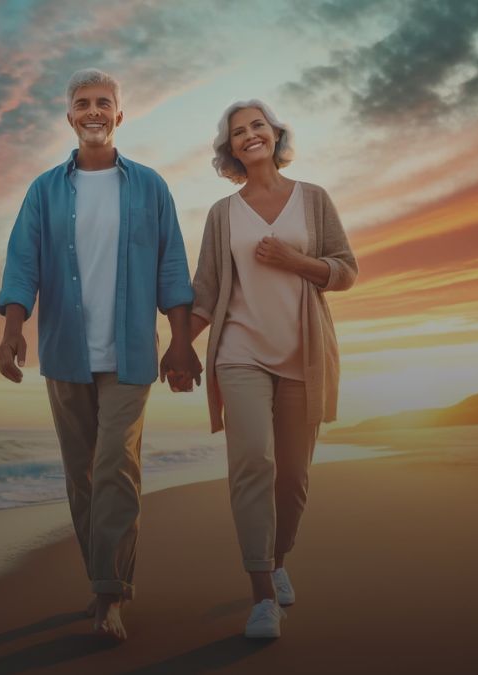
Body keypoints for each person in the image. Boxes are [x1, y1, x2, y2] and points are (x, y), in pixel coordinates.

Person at [0, 68, 201, 641]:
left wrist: (181, 342)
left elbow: (172, 267)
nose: (93, 111)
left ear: (119, 115)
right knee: (81, 480)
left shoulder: (150, 187)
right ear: (69, 116)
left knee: (116, 470)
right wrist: (13, 330)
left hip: (132, 354)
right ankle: (102, 577)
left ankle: (110, 595)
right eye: (83, 103)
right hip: (64, 352)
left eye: (103, 103)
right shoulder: (44, 190)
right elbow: (22, 263)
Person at [187, 99, 358, 639]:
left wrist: (296, 262)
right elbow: (206, 290)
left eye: (257, 125)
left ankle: (279, 558)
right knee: (253, 463)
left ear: (275, 134)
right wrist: (174, 347)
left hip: (303, 353)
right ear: (230, 149)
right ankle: (262, 595)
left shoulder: (313, 199)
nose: (249, 135)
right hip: (240, 351)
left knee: (293, 479)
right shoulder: (222, 213)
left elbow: (346, 271)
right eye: (238, 132)